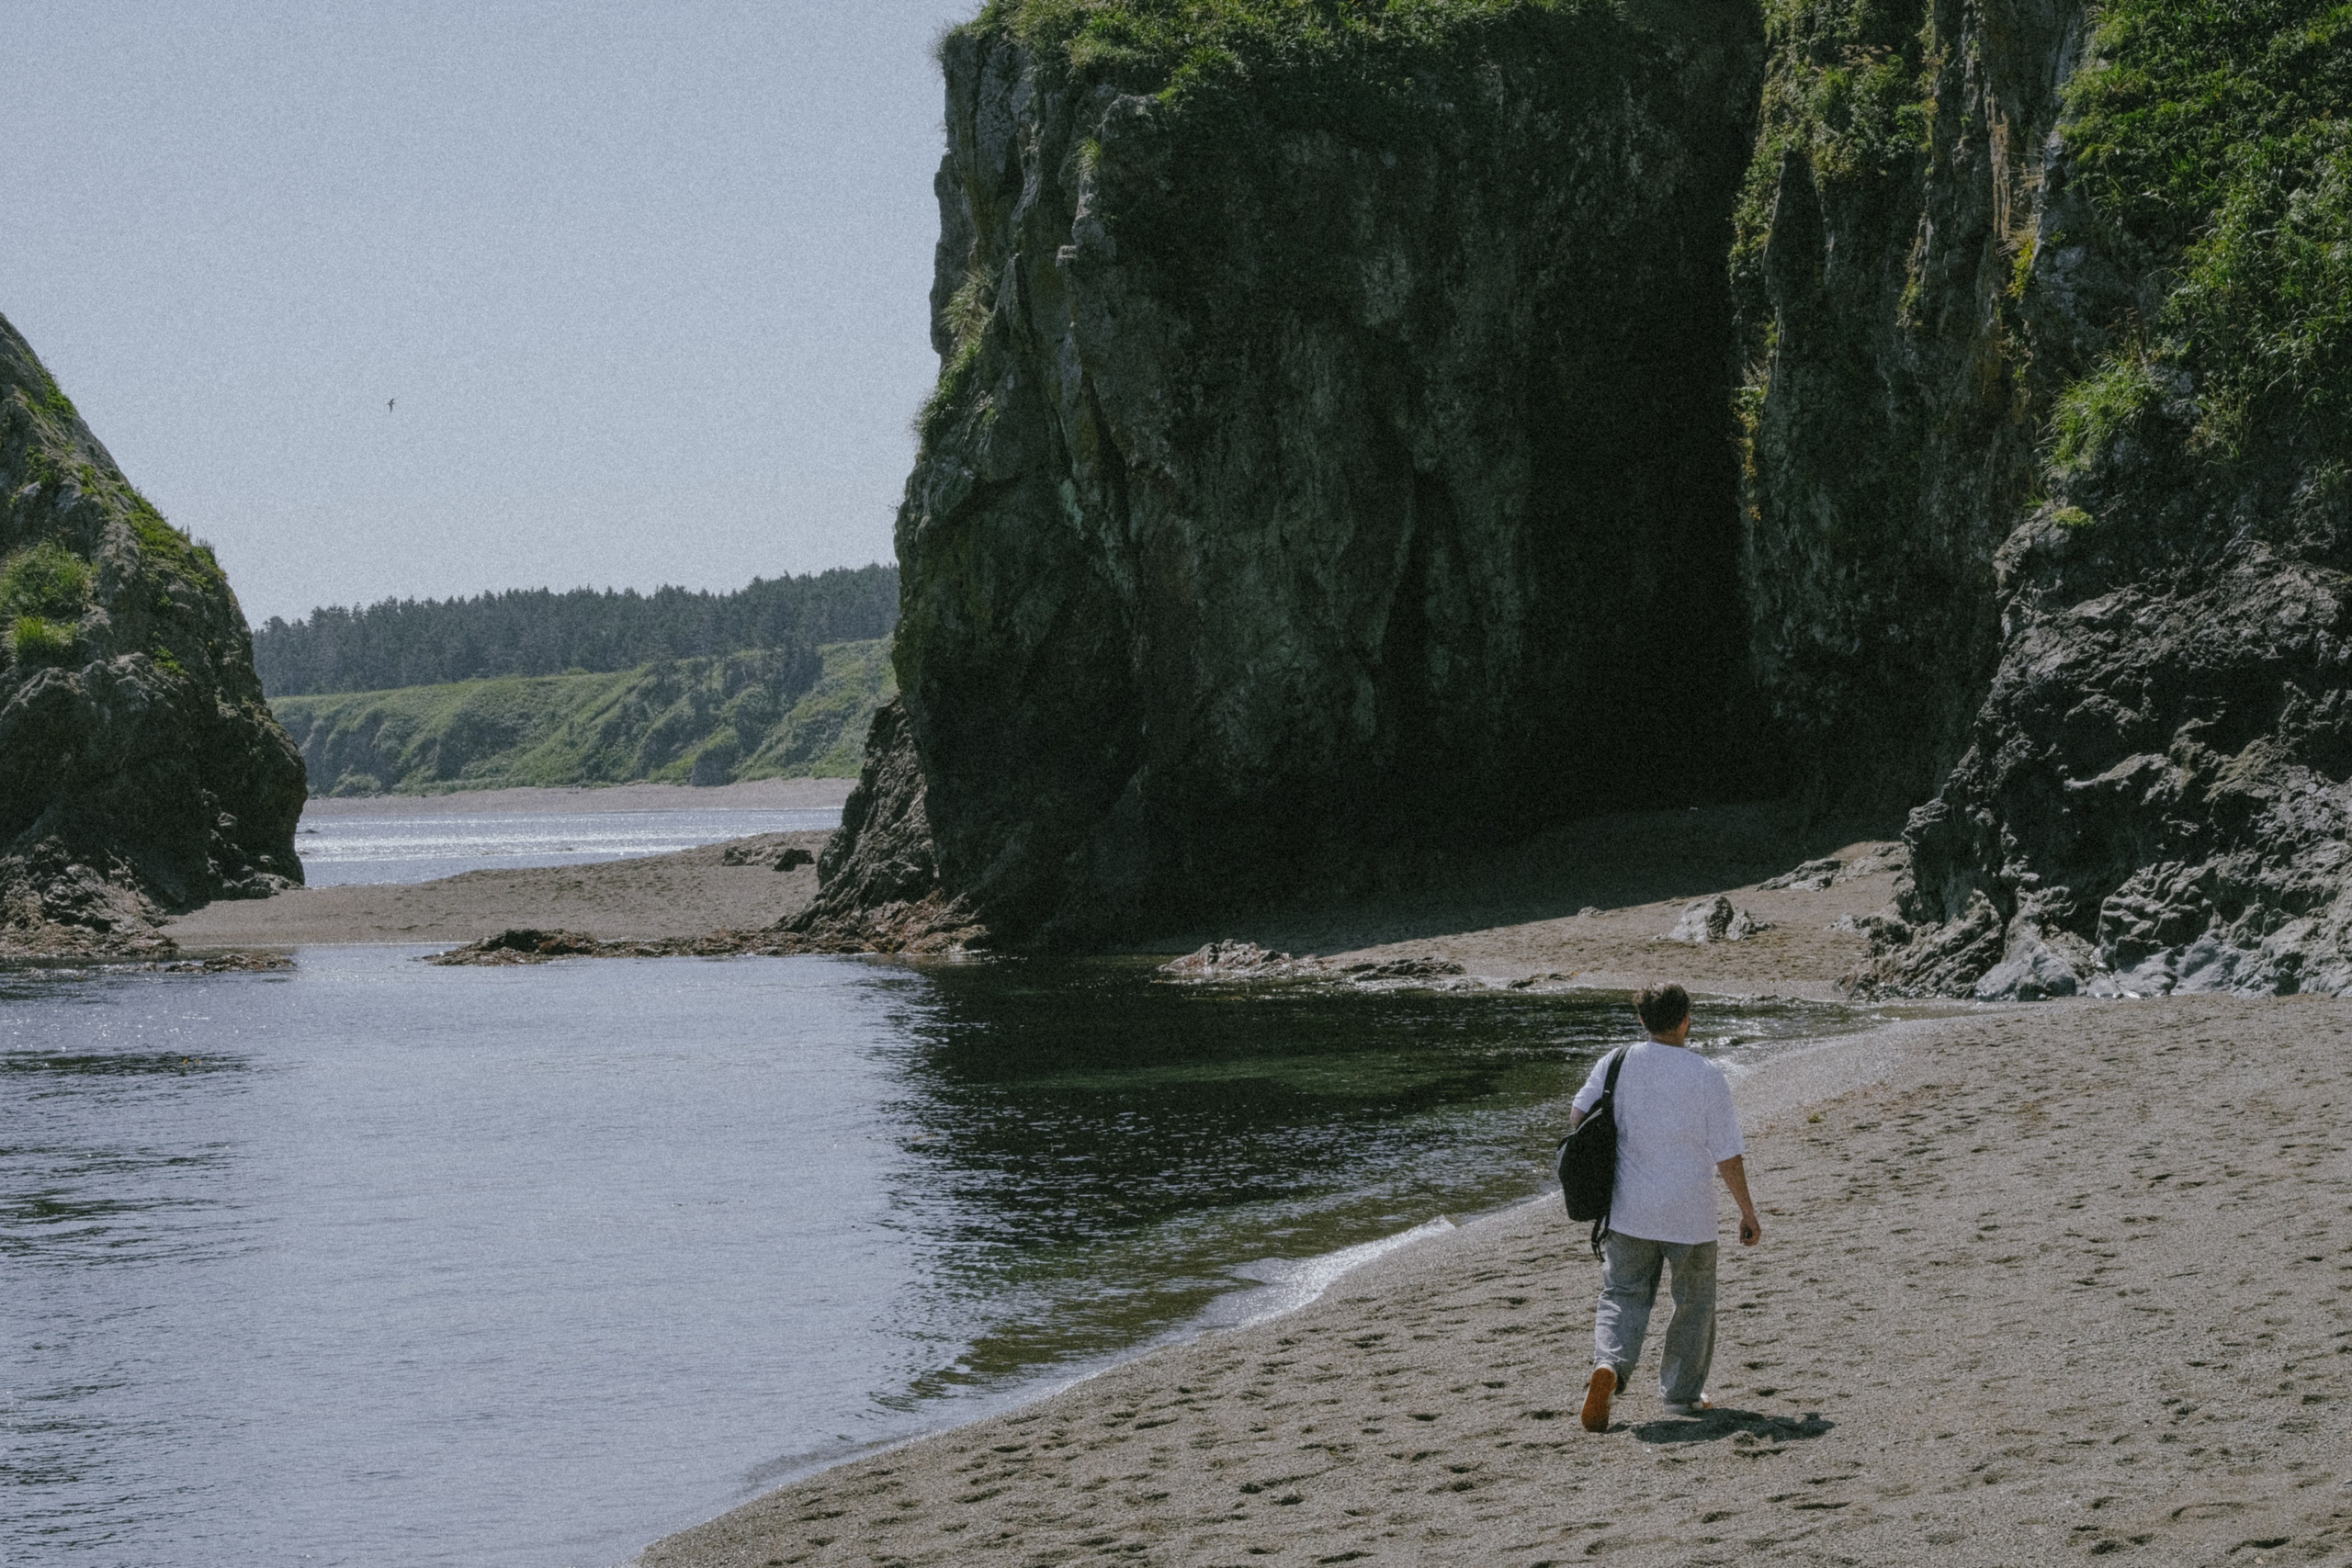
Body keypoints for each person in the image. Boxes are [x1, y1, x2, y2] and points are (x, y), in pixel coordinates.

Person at [1566, 982, 1760, 1431]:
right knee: (1694, 1303)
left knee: (1622, 1294)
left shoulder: (1615, 1061)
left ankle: (1610, 1367)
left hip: (1630, 1209)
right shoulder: (1707, 1074)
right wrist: (1747, 1211)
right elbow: (1727, 1153)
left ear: (1641, 1021)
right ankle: (1681, 1396)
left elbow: (1578, 1119)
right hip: (1690, 1214)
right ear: (1686, 1019)